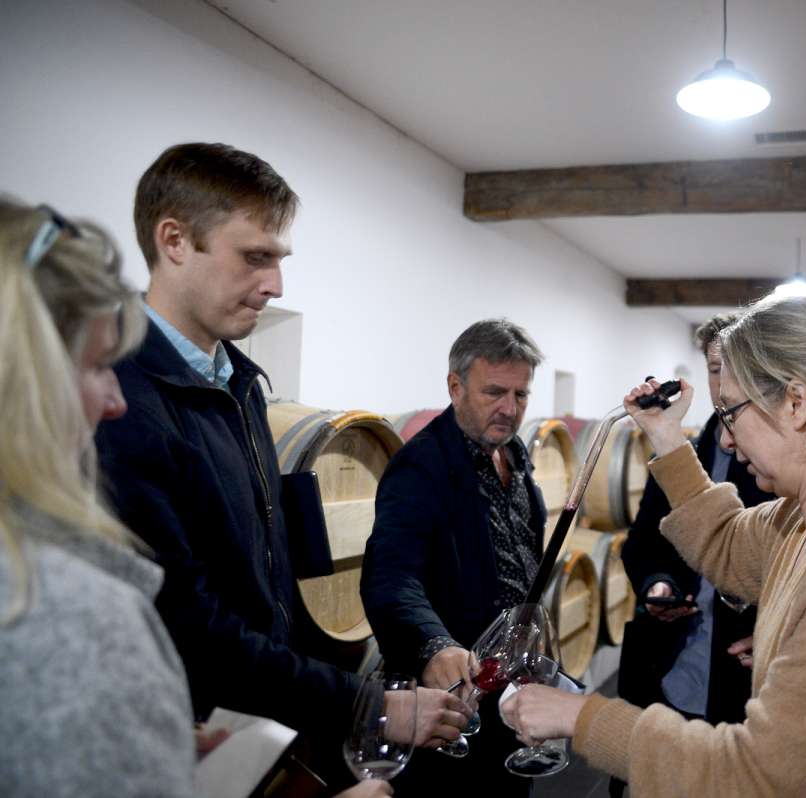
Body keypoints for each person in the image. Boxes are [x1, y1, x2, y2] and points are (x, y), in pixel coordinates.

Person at [502, 291, 806, 796]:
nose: (725, 439)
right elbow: (724, 541)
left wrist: (584, 716)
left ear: (797, 404)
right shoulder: (804, 519)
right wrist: (665, 435)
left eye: (732, 413)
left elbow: (760, 779)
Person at [94, 143, 467, 787]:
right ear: (174, 240)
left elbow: (268, 575)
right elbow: (185, 624)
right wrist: (366, 704)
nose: (276, 285)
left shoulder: (238, 382)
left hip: (255, 724)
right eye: (255, 257)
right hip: (179, 745)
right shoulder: (121, 402)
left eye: (279, 260)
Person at [0, 200, 397, 798]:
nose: (112, 398)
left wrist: (139, 735)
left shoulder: (242, 384)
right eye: (97, 365)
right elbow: (188, 618)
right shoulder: (69, 605)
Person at [362, 318, 547, 796]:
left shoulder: (515, 456)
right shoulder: (420, 467)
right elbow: (391, 578)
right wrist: (435, 645)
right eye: (495, 392)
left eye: (521, 395)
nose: (510, 409)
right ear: (455, 387)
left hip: (510, 690)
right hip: (455, 700)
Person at [618, 312, 775, 724]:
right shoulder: (691, 450)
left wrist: (781, 633)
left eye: (736, 371)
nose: (723, 385)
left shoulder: (774, 463)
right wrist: (658, 585)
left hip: (741, 677)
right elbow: (643, 542)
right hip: (673, 665)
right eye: (715, 369)